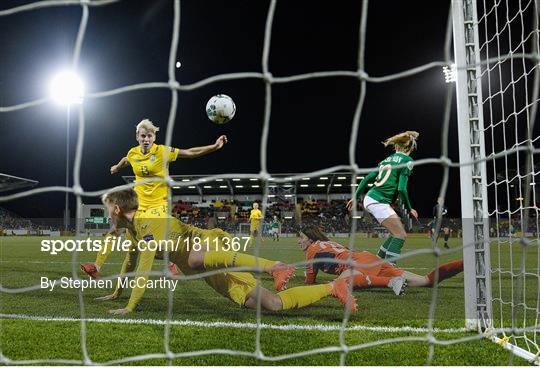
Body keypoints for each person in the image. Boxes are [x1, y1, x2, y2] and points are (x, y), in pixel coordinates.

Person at [96, 189, 358, 315]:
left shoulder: (148, 223)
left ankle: (273, 266)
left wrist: (131, 306)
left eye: (108, 209)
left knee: (194, 257)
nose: (108, 215)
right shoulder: (133, 231)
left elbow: (143, 268)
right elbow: (130, 262)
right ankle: (333, 287)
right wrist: (117, 293)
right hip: (210, 272)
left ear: (117, 210)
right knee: (272, 305)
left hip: (208, 246)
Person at [80, 119, 228, 278]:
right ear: (137, 136)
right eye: (143, 136)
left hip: (159, 205)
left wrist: (214, 147)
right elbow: (126, 160)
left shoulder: (163, 151)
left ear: (154, 137)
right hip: (137, 205)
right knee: (117, 230)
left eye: (149, 136)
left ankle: (171, 262)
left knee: (155, 241)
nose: (146, 139)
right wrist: (117, 166)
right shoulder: (133, 153)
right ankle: (96, 266)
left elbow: (189, 152)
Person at [299, 225, 463, 293]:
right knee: (427, 281)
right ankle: (466, 262)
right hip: (369, 258)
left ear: (310, 239)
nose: (299, 241)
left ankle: (391, 282)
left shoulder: (311, 251)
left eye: (301, 238)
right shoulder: (328, 243)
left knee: (337, 286)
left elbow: (309, 283)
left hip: (359, 264)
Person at [347, 131, 419, 263]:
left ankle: (378, 263)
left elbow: (367, 178)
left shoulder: (385, 160)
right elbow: (402, 188)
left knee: (395, 233)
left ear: (396, 146)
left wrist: (355, 197)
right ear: (410, 148)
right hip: (378, 200)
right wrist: (410, 209)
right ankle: (390, 272)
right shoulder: (407, 161)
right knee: (400, 235)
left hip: (372, 198)